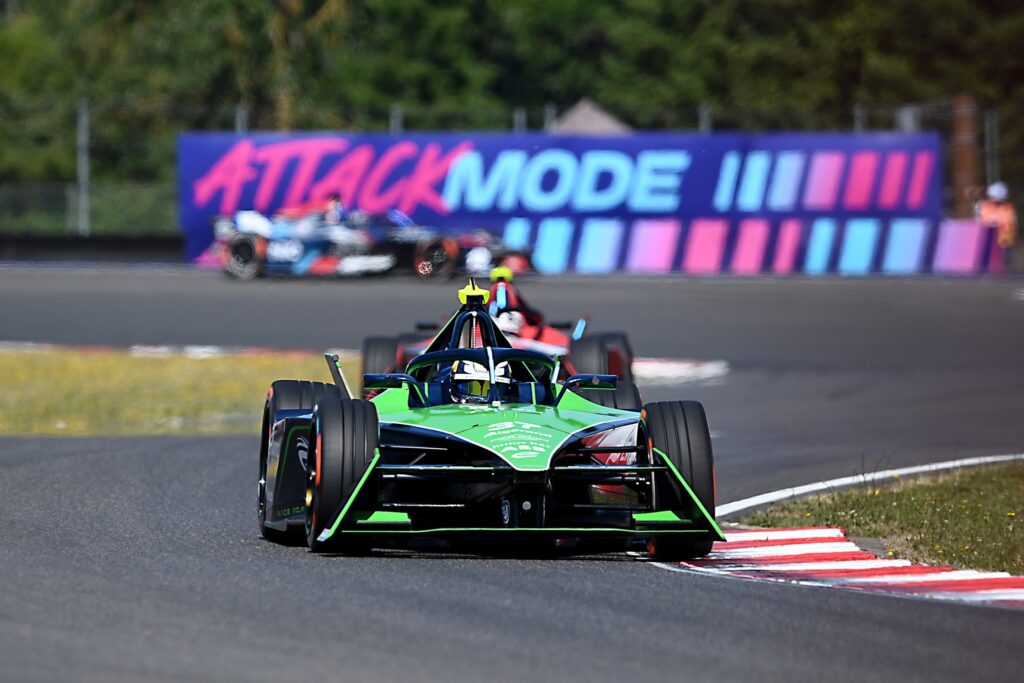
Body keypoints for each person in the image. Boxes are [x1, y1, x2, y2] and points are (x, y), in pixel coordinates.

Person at [976, 182, 1018, 272]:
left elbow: (1010, 223)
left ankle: (1005, 269)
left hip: (1004, 239)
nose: (995, 201)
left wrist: (998, 224)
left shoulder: (1008, 208)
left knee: (1005, 256)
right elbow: (981, 221)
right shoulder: (985, 206)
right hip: (988, 238)